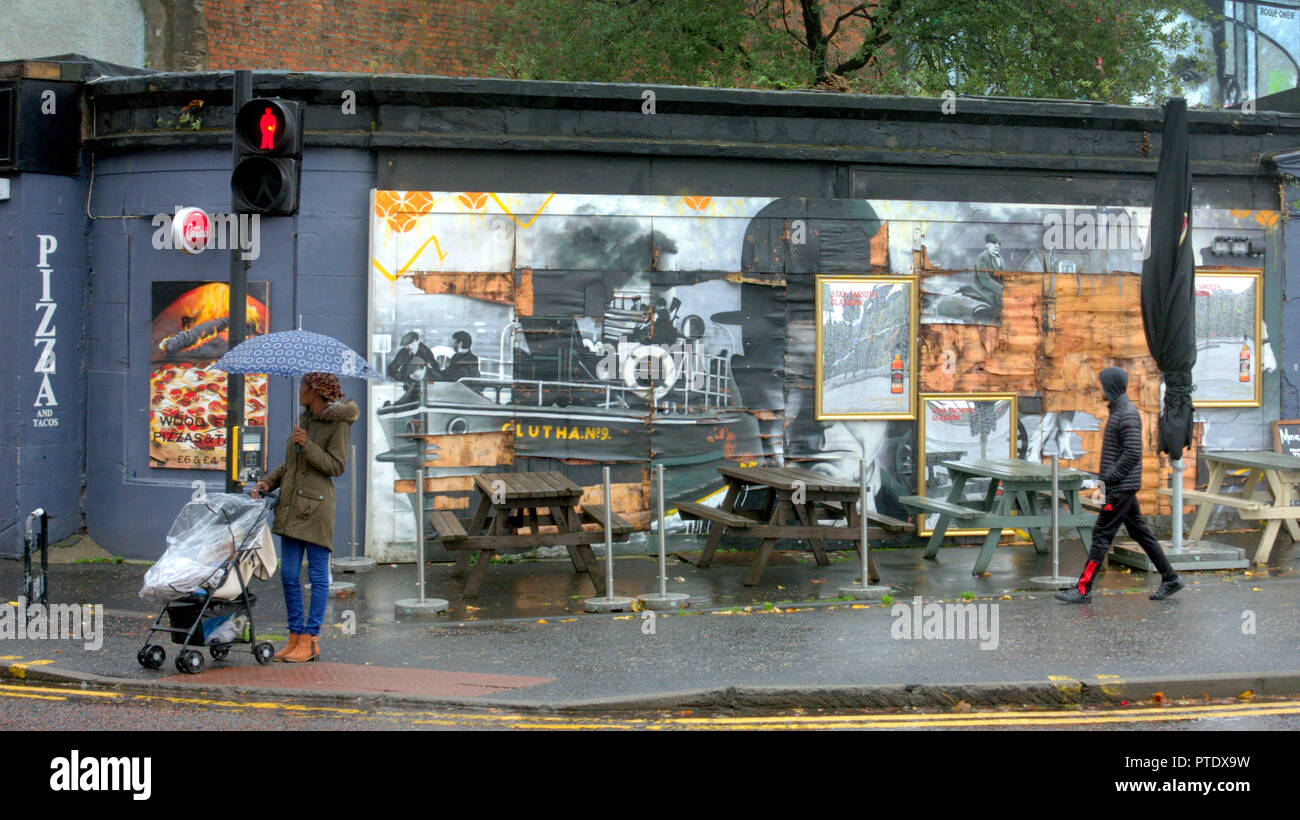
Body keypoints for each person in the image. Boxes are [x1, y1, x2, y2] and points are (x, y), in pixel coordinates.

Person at [251, 372, 360, 661]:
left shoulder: (338, 424)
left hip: (316, 508)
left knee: (317, 576)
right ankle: (294, 636)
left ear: (315, 391)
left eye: (302, 386)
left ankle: (311, 640)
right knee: (287, 574)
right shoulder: (304, 419)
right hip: (291, 507)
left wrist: (306, 444)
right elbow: (290, 465)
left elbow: (336, 467)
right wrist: (267, 482)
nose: (299, 391)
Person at [1056, 367, 1183, 603]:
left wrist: (1109, 477)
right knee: (1140, 532)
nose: (1099, 388)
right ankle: (1171, 578)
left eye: (1102, 384)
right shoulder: (1120, 411)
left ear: (1111, 386)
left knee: (1101, 535)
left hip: (1120, 488)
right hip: (1122, 487)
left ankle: (1083, 589)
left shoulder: (1126, 414)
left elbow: (1133, 453)